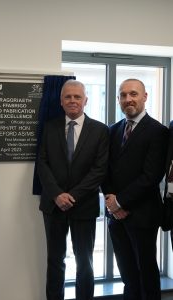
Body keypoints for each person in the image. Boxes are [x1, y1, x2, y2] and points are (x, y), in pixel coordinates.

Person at [37, 79, 109, 300]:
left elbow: (99, 170)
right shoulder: (49, 127)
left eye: (77, 97)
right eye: (68, 97)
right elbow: (42, 163)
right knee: (55, 260)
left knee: (85, 261)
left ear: (85, 100)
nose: (72, 100)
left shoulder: (100, 130)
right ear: (60, 101)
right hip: (53, 205)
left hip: (84, 206)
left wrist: (73, 196)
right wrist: (57, 194)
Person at [102, 78, 168, 300]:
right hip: (116, 218)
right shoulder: (112, 130)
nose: (128, 99)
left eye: (133, 94)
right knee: (127, 275)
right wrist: (111, 201)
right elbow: (105, 170)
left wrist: (120, 202)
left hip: (143, 216)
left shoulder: (158, 131)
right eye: (123, 95)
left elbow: (151, 176)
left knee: (146, 273)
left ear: (145, 97)